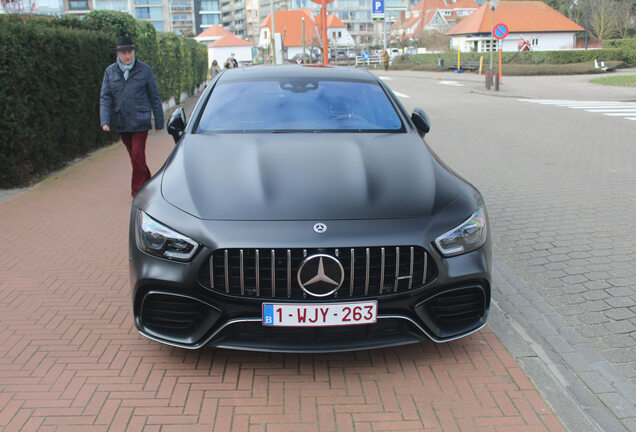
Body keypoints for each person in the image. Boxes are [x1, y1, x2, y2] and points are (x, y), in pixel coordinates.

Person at [100, 36, 163, 197]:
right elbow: (105, 98)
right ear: (118, 54)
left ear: (134, 52)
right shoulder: (110, 72)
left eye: (130, 52)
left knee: (137, 155)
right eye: (123, 53)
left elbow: (154, 96)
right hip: (122, 121)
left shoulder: (145, 70)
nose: (127, 56)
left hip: (141, 121)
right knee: (136, 159)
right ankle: (149, 182)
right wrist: (105, 121)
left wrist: (159, 121)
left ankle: (137, 192)